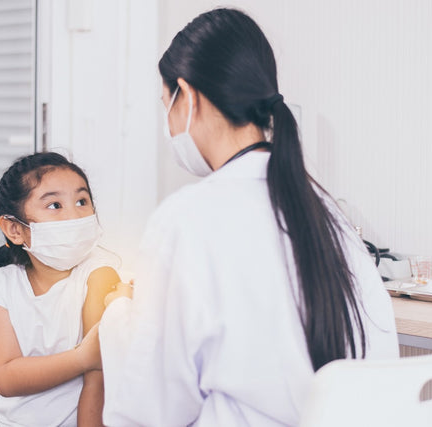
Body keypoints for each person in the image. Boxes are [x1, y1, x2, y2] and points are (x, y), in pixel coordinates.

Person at [90, 8, 399, 426]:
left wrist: (118, 317)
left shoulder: (187, 219)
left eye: (167, 105)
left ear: (188, 97)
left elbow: (150, 411)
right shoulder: (327, 212)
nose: (169, 124)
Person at [0, 152, 119, 427]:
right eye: (55, 205)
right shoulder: (3, 281)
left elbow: (97, 381)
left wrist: (89, 361)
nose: (74, 215)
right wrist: (81, 358)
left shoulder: (98, 275)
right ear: (15, 229)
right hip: (4, 421)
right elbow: (6, 378)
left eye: (82, 201)